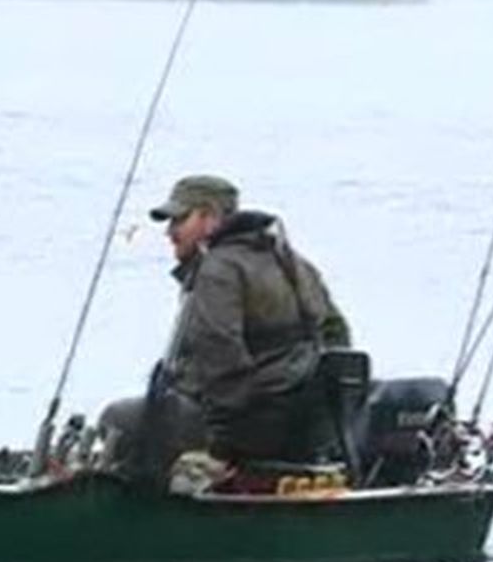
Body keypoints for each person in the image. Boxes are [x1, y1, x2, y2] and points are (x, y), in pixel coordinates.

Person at [99, 174, 351, 483]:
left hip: (246, 424)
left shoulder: (217, 269)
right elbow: (336, 335)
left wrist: (221, 447)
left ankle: (141, 502)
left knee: (119, 419)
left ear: (209, 218)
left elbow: (221, 359)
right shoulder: (292, 261)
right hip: (298, 415)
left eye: (179, 220)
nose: (170, 232)